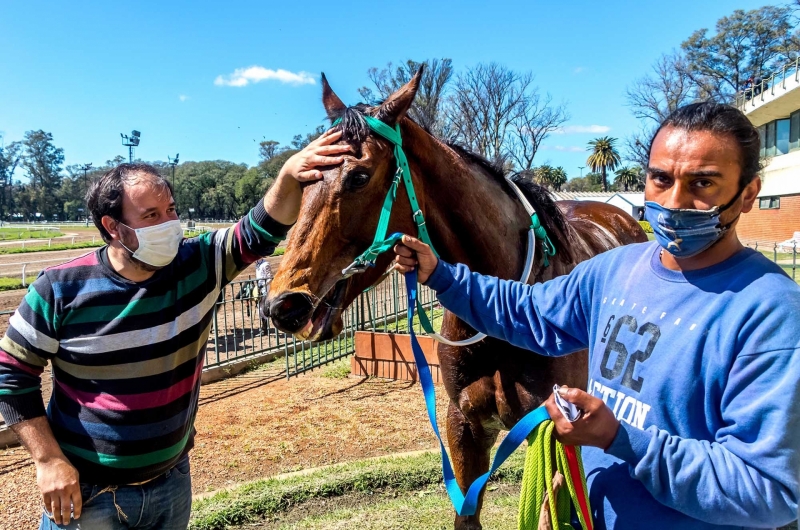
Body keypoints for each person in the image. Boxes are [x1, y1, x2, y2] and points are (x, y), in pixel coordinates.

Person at [393, 102, 800, 529]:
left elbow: (770, 489)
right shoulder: (618, 269)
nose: (675, 201)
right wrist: (441, 275)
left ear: (749, 193)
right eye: (660, 179)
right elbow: (530, 312)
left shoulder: (772, 314)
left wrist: (618, 438)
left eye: (702, 183)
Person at [0, 130, 350, 529]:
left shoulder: (199, 263)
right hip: (87, 493)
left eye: (171, 209)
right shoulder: (59, 288)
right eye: (151, 216)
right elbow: (11, 372)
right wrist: (47, 460)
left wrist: (288, 175)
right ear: (113, 227)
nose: (170, 224)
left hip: (171, 483)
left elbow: (260, 227)